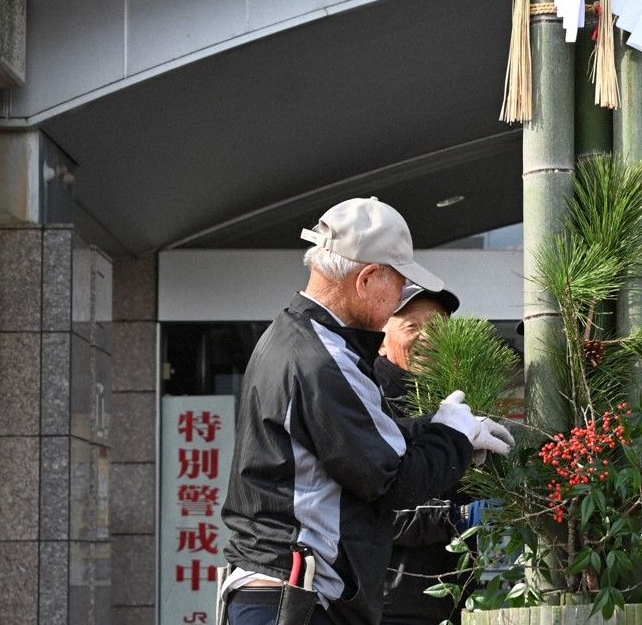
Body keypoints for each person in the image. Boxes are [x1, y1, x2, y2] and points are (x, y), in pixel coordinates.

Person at [219, 197, 515, 625]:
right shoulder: (325, 358)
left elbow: (359, 444)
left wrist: (438, 426)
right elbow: (392, 482)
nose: (399, 296)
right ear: (368, 278)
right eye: (398, 284)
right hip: (300, 600)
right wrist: (452, 434)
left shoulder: (292, 339)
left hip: (278, 594)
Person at [374, 283, 474, 625]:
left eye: (438, 328)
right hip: (390, 605)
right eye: (412, 327)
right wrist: (455, 519)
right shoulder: (368, 403)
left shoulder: (459, 404)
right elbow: (368, 513)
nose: (428, 339)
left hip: (457, 602)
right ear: (383, 339)